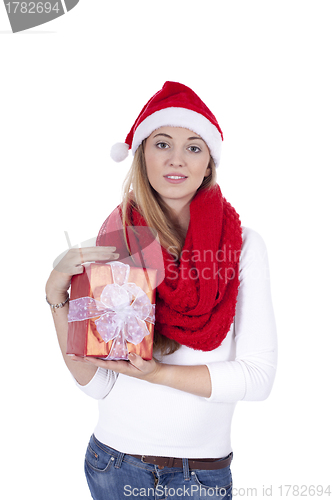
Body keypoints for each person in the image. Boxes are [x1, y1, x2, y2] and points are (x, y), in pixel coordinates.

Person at [45, 81, 277, 500]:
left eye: (193, 147)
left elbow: (258, 378)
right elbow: (95, 382)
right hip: (113, 463)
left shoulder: (242, 246)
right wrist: (56, 294)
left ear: (209, 163)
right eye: (162, 143)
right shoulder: (113, 241)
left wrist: (158, 374)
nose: (176, 159)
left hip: (201, 476)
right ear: (142, 156)